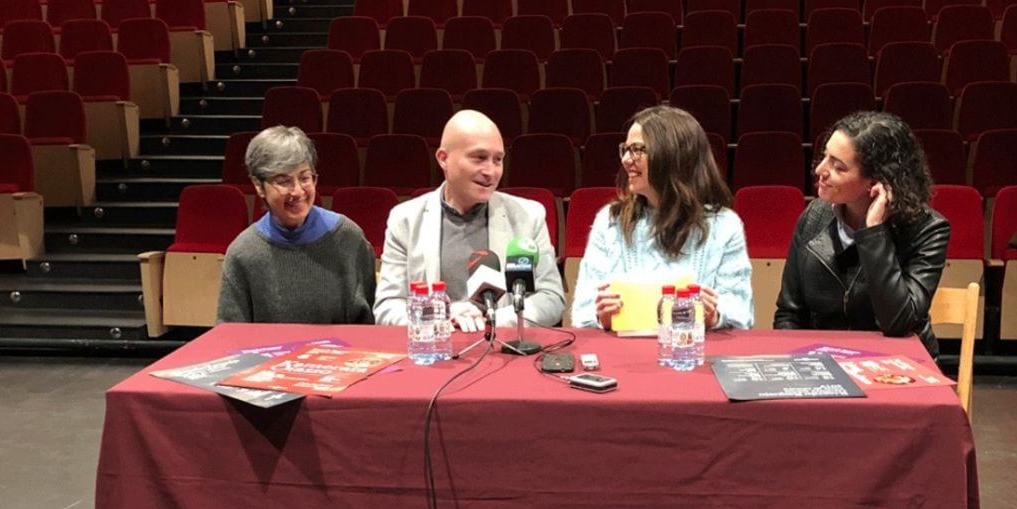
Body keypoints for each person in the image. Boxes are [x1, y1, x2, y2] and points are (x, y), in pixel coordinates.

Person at [774, 111, 950, 357]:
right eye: (825, 157)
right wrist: (794, 364)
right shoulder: (813, 216)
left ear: (875, 181)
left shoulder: (928, 229)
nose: (820, 171)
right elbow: (789, 313)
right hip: (822, 362)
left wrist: (874, 231)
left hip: (897, 366)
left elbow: (898, 322)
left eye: (838, 166)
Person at [373, 110, 565, 331]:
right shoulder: (405, 219)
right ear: (443, 158)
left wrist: (491, 321)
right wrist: (441, 317)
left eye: (498, 160)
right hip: (434, 350)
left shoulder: (528, 216)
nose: (491, 172)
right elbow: (387, 306)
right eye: (479, 158)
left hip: (504, 349)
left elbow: (551, 299)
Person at [571, 105, 754, 330]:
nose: (626, 160)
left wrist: (715, 316)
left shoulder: (724, 225)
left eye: (638, 149)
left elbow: (742, 312)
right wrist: (601, 316)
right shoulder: (610, 221)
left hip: (694, 354)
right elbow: (582, 311)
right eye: (626, 149)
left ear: (672, 156)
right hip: (624, 357)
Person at [216, 125, 376, 324]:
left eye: (304, 178)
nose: (298, 191)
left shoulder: (348, 238)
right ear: (259, 186)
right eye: (284, 181)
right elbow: (231, 336)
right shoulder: (243, 253)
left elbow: (371, 323)